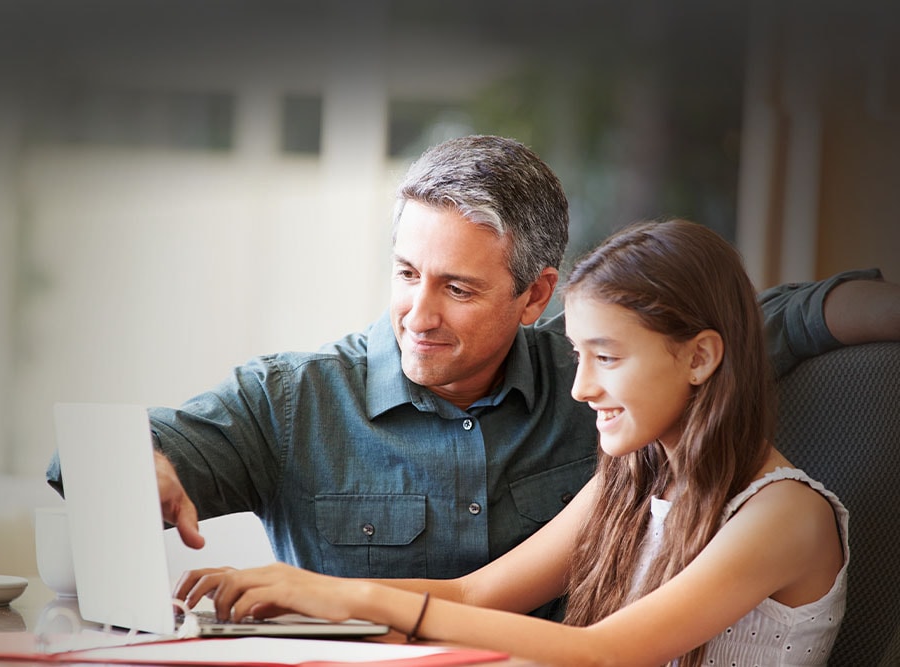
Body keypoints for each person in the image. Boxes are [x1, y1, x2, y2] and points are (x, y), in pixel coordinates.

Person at [46, 135, 893, 600]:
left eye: (457, 287)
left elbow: (789, 315)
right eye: (407, 274)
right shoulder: (293, 398)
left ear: (535, 297)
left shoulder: (602, 381)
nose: (419, 313)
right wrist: (137, 461)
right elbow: (109, 455)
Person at [175, 219, 849, 667]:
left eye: (606, 359)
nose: (581, 388)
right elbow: (472, 595)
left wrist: (357, 601)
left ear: (700, 357)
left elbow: (605, 652)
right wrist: (303, 594)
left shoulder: (782, 515)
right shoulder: (633, 480)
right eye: (578, 356)